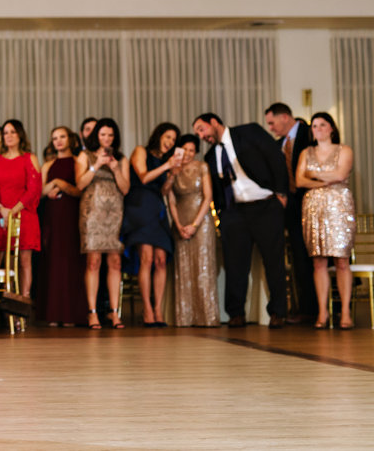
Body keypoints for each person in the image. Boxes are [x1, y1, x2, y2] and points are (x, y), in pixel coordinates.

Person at [193, 112, 289, 328]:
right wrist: (222, 213)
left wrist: (281, 193)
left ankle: (278, 312)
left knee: (273, 261)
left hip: (265, 205)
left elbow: (275, 157)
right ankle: (236, 313)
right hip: (234, 212)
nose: (201, 136)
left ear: (214, 123)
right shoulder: (210, 157)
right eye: (198, 133)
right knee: (235, 265)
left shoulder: (249, 132)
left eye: (202, 129)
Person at [295, 112, 356, 329]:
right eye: (315, 126)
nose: (318, 129)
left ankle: (346, 313)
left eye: (322, 125)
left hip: (339, 207)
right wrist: (323, 179)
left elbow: (341, 175)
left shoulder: (344, 150)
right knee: (318, 261)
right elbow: (299, 180)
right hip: (313, 208)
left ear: (331, 128)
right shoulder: (306, 152)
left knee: (341, 259)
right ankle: (323, 313)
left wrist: (314, 174)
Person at [122, 122, 180, 327]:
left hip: (157, 207)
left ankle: (158, 308)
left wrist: (172, 175)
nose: (170, 142)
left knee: (161, 259)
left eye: (173, 140)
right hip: (140, 206)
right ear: (158, 135)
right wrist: (166, 166)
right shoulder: (141, 151)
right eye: (167, 137)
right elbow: (144, 177)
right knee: (145, 258)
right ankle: (146, 308)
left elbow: (163, 190)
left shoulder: (166, 162)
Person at [75, 117, 130, 329]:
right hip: (92, 213)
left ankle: (115, 312)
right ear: (96, 135)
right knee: (93, 261)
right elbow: (80, 184)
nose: (106, 139)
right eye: (103, 134)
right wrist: (96, 165)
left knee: (115, 262)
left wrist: (115, 169)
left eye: (110, 135)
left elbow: (126, 189)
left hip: (115, 213)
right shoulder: (84, 156)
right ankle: (92, 312)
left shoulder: (122, 159)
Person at [265, 102, 317, 323]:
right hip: (291, 209)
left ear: (285, 117)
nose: (271, 127)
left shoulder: (309, 133)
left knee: (315, 256)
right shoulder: (278, 145)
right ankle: (305, 309)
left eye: (272, 122)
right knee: (298, 258)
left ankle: (317, 309)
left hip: (313, 202)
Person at [165, 135, 220, 328]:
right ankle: (185, 317)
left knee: (203, 266)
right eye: (184, 149)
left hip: (201, 220)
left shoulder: (202, 167)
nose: (187, 154)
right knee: (184, 268)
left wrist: (195, 224)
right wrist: (179, 224)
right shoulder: (172, 169)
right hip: (180, 220)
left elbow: (208, 196)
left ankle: (206, 316)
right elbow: (169, 198)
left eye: (191, 150)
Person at [0, 119, 42, 298]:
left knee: (24, 261)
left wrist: (14, 209)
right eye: (5, 133)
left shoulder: (29, 158)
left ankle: (22, 304)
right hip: (0, 215)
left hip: (23, 216)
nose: (8, 136)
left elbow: (34, 189)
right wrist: (1, 207)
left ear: (20, 135)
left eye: (12, 132)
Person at [38, 126, 87, 326]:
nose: (58, 141)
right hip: (52, 217)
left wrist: (59, 183)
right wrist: (51, 188)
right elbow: (40, 192)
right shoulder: (47, 165)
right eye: (55, 138)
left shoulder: (77, 162)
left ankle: (71, 315)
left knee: (71, 262)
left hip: (71, 216)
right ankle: (52, 314)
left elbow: (79, 190)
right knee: (52, 261)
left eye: (62, 137)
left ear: (70, 139)